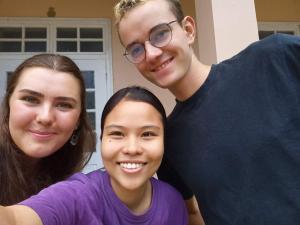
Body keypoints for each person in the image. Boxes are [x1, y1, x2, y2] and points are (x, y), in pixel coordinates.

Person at [113, 0, 300, 225]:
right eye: (136, 49)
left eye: (160, 34)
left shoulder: (274, 59)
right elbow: (190, 212)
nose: (151, 54)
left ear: (189, 30)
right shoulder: (168, 140)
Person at [0, 86, 188, 225]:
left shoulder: (173, 202)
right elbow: (15, 219)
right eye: (117, 134)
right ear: (102, 139)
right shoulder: (79, 195)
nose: (132, 148)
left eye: (147, 134)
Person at [0, 54, 96, 205]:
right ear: (8, 104)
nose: (45, 117)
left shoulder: (72, 186)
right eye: (30, 99)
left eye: (64, 105)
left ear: (78, 120)